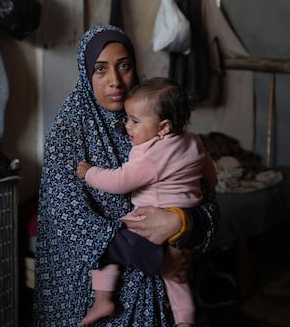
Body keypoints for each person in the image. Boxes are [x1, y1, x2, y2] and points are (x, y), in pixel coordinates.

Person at [33, 24, 219, 326]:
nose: (115, 82)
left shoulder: (159, 121)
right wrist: (158, 258)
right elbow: (70, 222)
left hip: (158, 296)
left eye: (124, 66)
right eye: (100, 70)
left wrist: (181, 222)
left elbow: (208, 204)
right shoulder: (67, 135)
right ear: (85, 74)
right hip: (94, 296)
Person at [76, 77, 218, 327]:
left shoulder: (149, 155)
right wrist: (211, 184)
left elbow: (120, 181)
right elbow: (209, 172)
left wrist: (89, 173)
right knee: (177, 277)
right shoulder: (194, 141)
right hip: (186, 218)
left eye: (135, 121)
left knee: (107, 243)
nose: (128, 125)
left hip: (150, 216)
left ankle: (103, 299)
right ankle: (185, 320)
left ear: (163, 128)